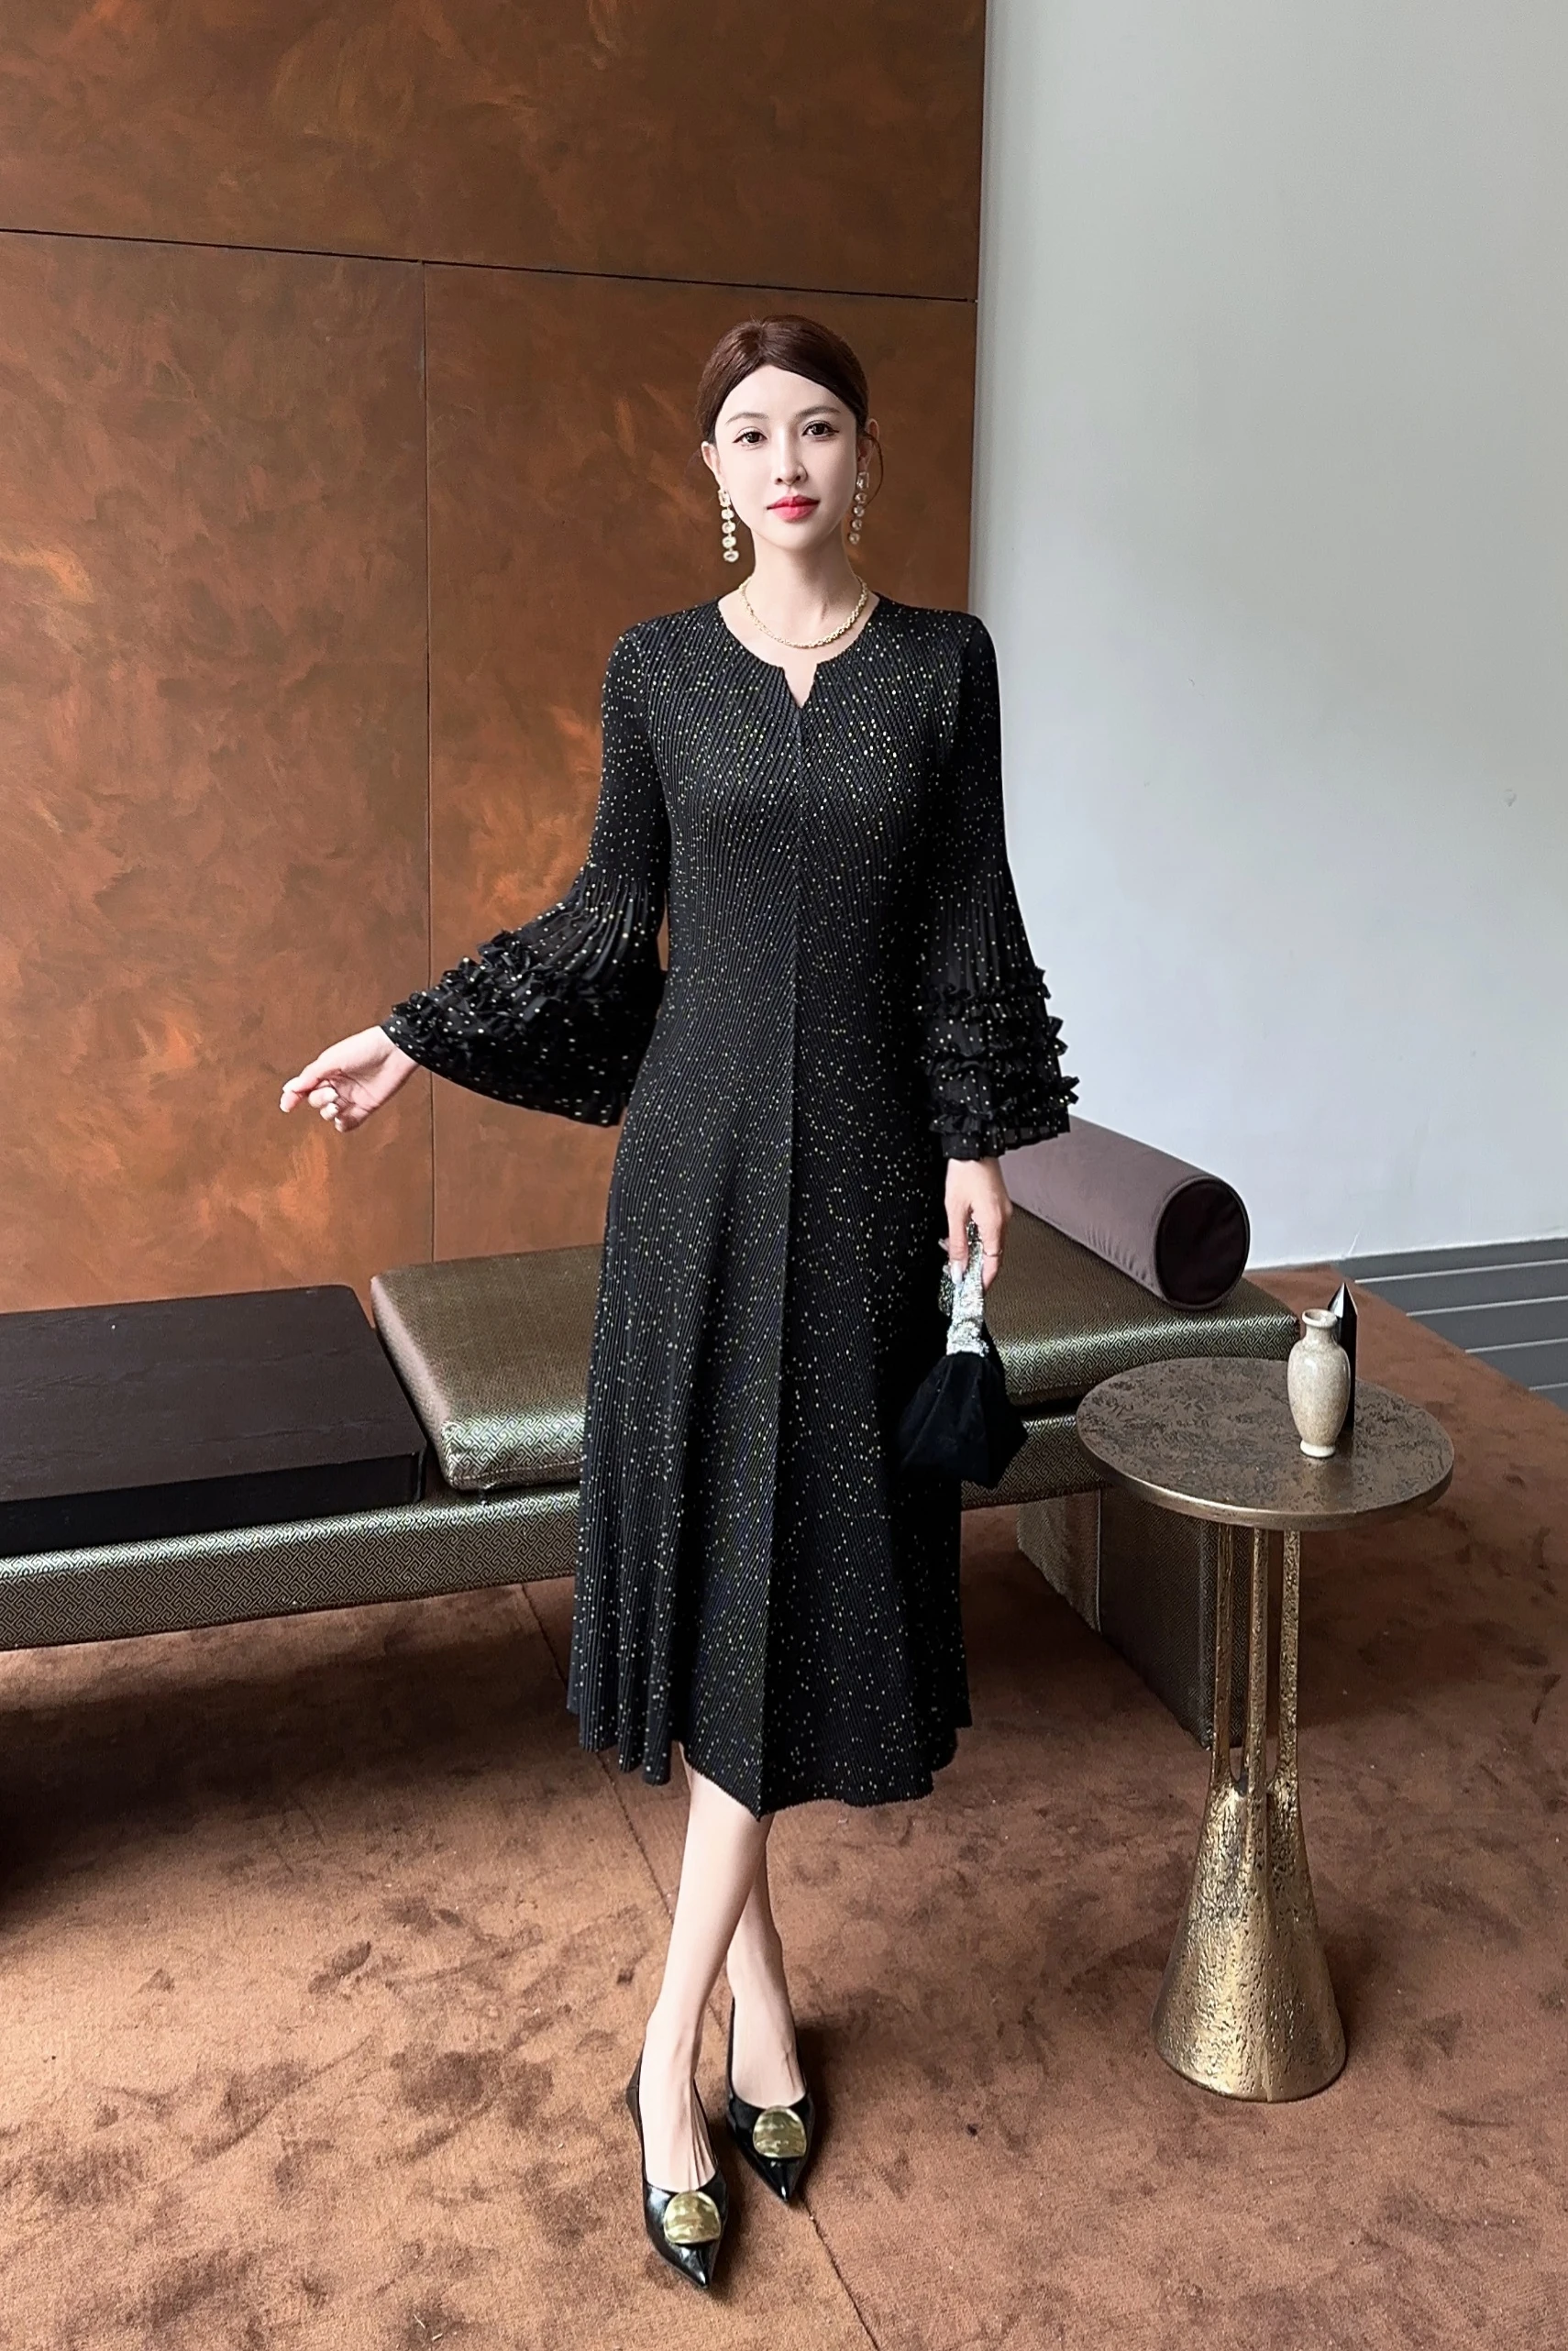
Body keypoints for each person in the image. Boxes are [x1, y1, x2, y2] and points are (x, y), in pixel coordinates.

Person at [281, 315, 1075, 2291]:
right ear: (710, 472)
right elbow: (597, 919)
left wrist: (979, 1139)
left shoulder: (946, 667)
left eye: (819, 427)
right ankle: (724, 2033)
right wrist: (414, 1033)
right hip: (695, 1177)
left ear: (865, 457)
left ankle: (689, 2033)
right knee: (734, 1558)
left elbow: (970, 918)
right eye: (748, 432)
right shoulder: (654, 669)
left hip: (874, 1184)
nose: (785, 459)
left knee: (796, 1559)